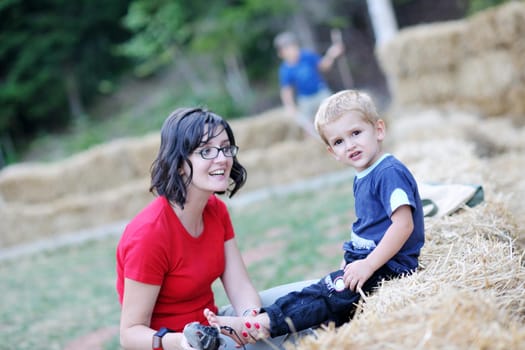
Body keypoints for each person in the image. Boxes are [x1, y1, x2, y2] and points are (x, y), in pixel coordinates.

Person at [204, 90, 425, 346]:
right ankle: (262, 320)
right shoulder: (365, 174)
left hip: (391, 267)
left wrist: (368, 264)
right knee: (318, 292)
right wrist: (354, 256)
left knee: (328, 295)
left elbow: (403, 224)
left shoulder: (388, 172)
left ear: (378, 130)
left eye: (356, 133)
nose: (350, 145)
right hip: (371, 261)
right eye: (339, 141)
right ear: (332, 152)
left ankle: (262, 326)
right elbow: (371, 226)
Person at [116, 107, 263, 350]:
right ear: (180, 163)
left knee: (302, 309)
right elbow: (130, 335)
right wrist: (184, 340)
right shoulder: (149, 234)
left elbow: (240, 286)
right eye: (206, 151)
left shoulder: (216, 210)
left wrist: (252, 320)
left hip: (214, 329)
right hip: (178, 344)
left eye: (226, 148)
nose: (223, 159)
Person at [274, 31, 344, 137]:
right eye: (287, 50)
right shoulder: (285, 70)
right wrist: (289, 106)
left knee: (333, 113)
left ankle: (340, 134)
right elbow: (286, 90)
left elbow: (324, 66)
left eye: (293, 47)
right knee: (309, 125)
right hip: (305, 98)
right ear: (281, 54)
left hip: (320, 91)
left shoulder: (307, 56)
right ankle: (316, 143)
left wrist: (331, 54)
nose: (292, 51)